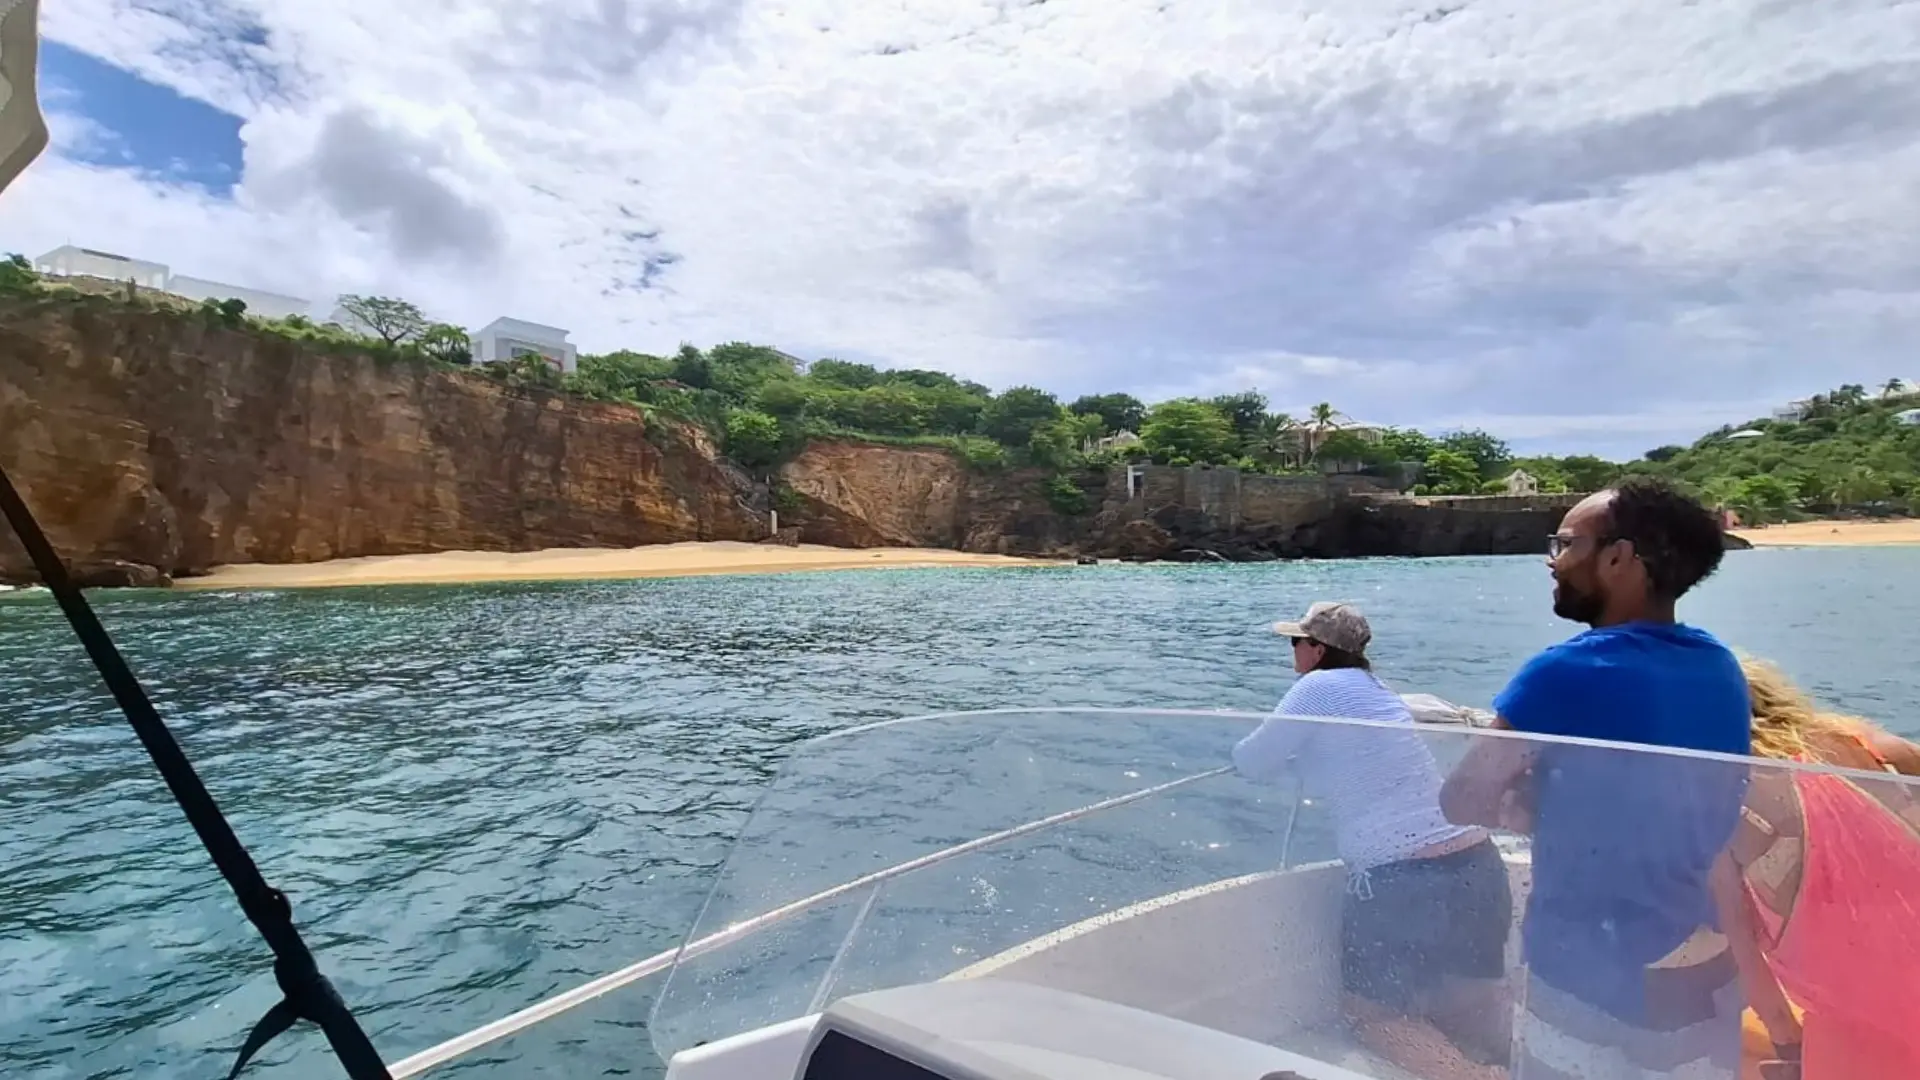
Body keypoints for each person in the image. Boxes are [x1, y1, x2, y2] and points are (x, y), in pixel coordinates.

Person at [1439, 477, 1752, 1080]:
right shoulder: (1718, 662)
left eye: (1564, 543)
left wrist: (1529, 806)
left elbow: (1462, 797)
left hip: (1591, 964)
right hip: (1700, 959)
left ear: (1619, 558)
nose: (1551, 562)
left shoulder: (1566, 671)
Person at [1234, 601, 1514, 1080]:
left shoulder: (1316, 686)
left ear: (1317, 649)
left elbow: (1253, 760)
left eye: (1295, 642)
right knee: (1470, 1003)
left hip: (1405, 876)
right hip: (1476, 862)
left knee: (1375, 1017)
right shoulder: (1375, 687)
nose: (1292, 651)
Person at [1722, 657, 1920, 1080]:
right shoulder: (1858, 740)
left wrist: (1787, 1045)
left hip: (1848, 1016)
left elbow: (1747, 959)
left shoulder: (1725, 801)